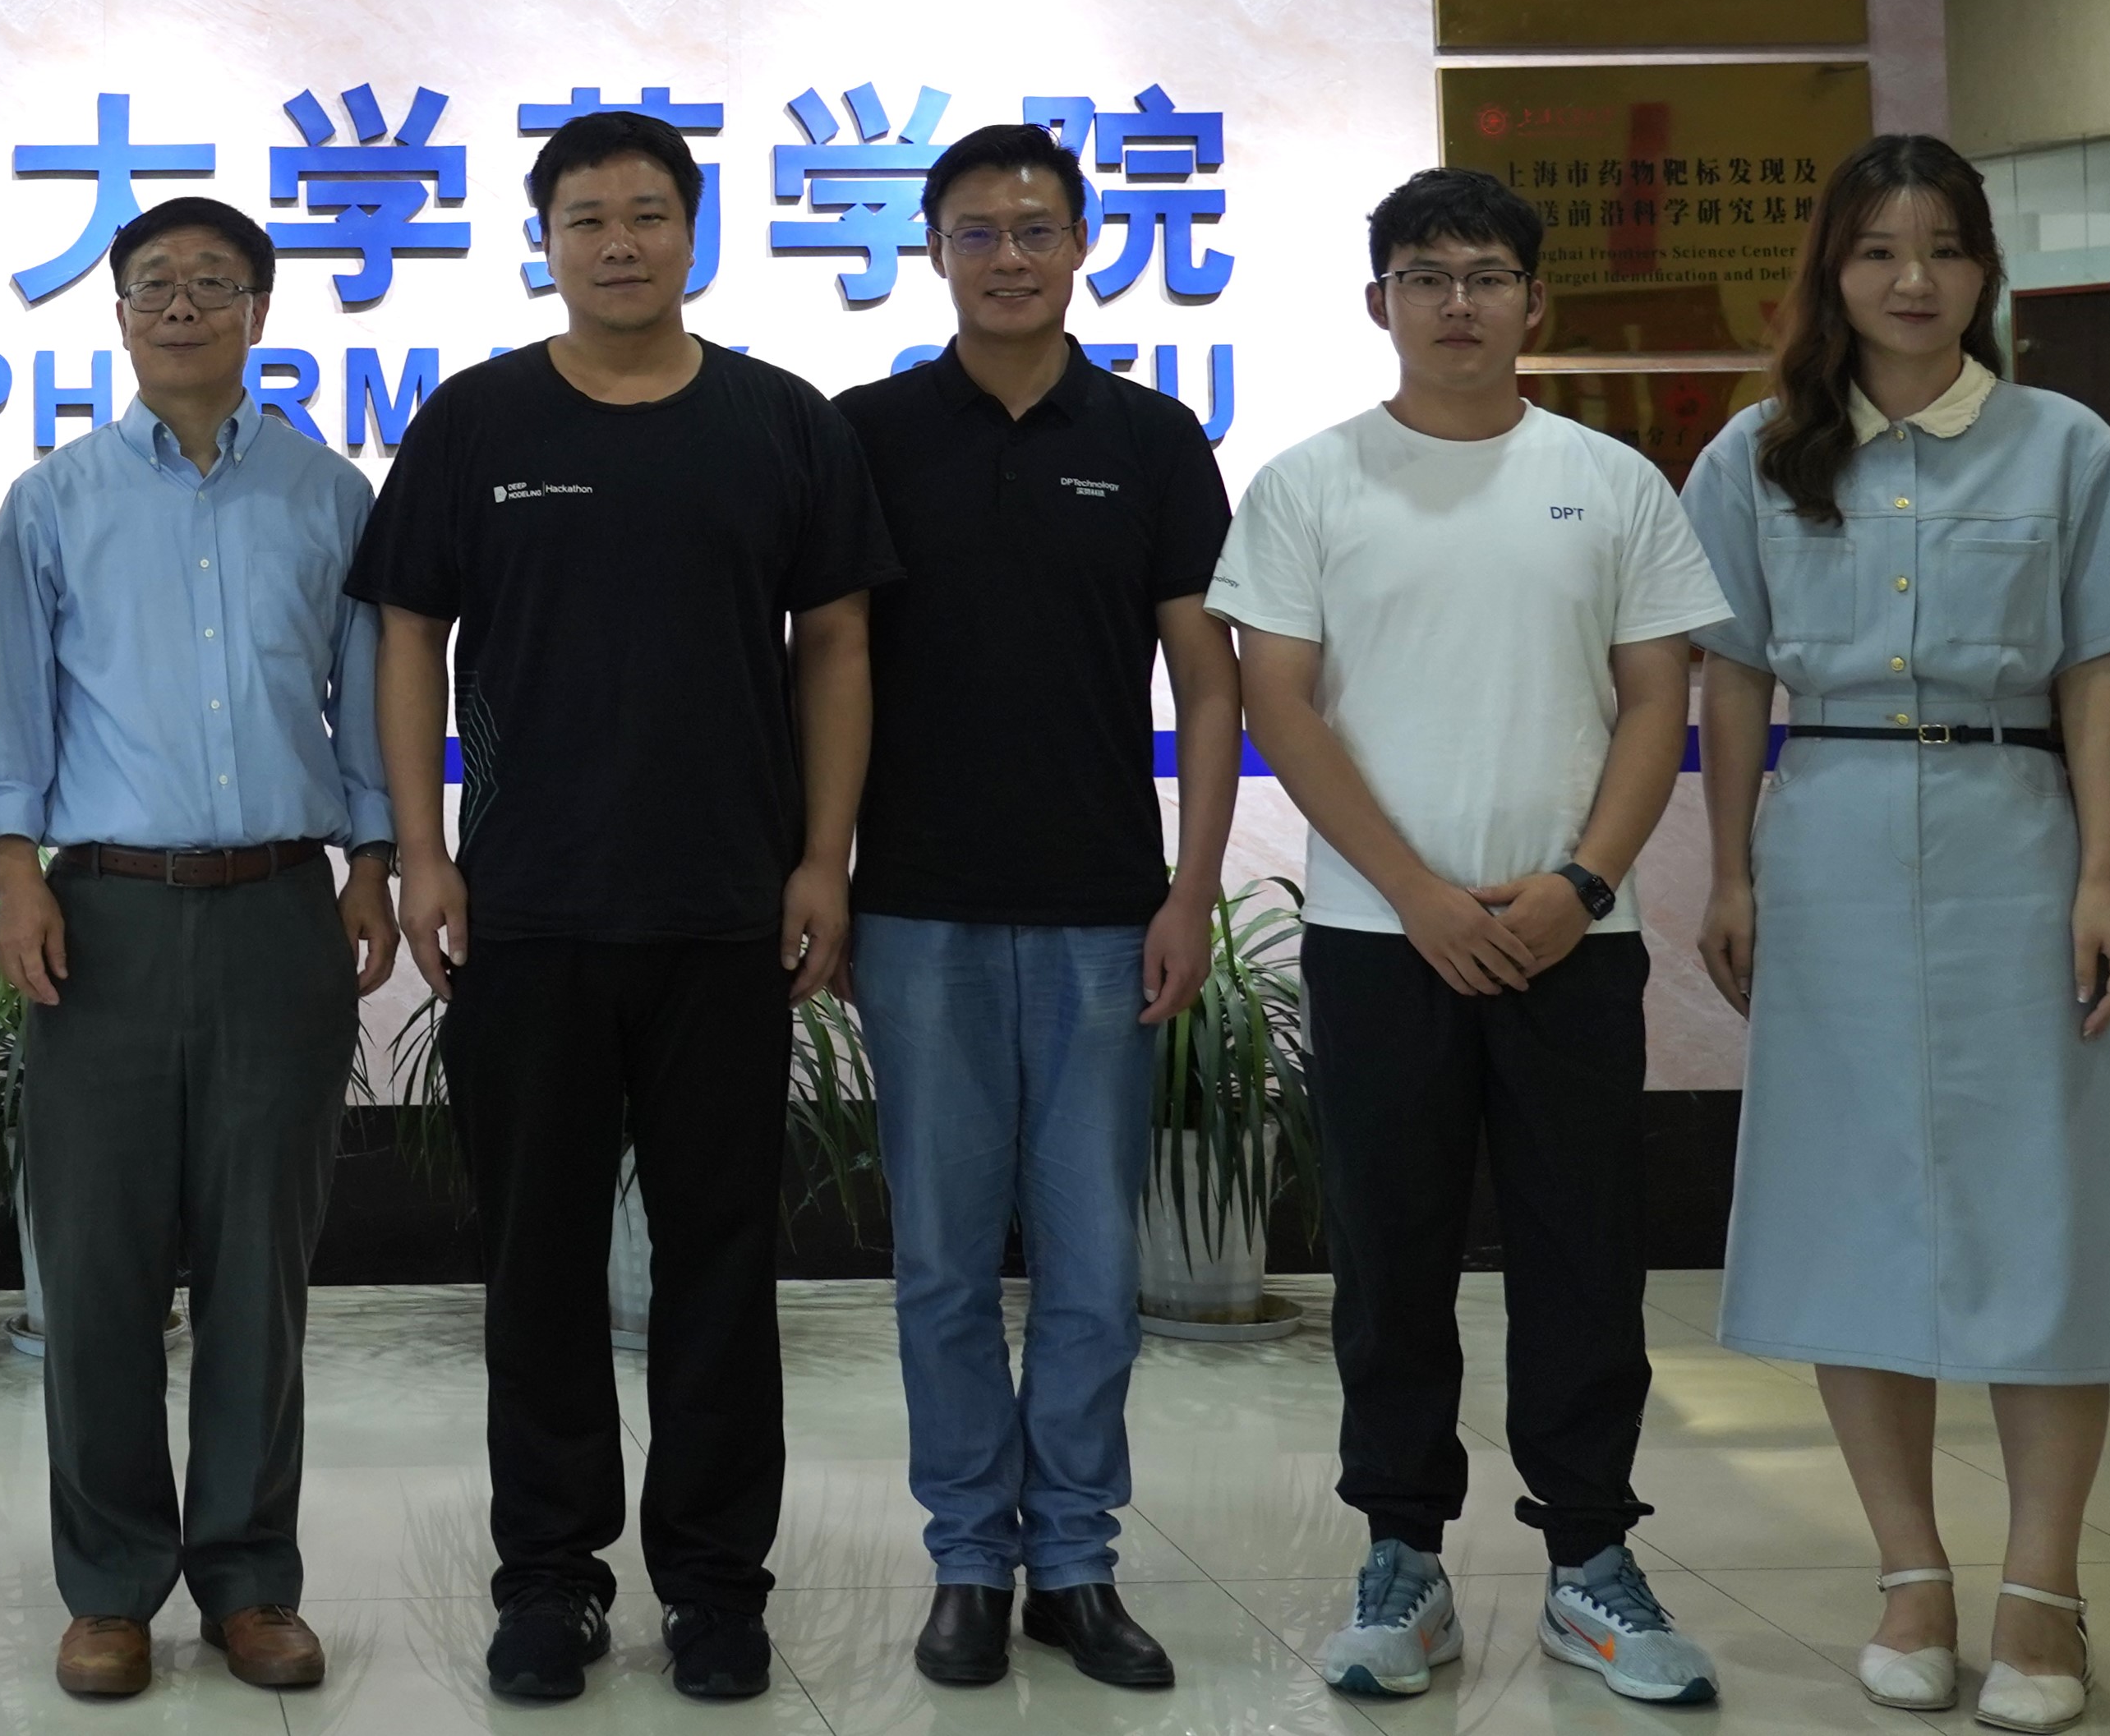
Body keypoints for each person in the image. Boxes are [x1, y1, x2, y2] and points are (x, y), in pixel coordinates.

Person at [356, 109, 885, 1708]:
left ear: (691, 232)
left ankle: (715, 1585)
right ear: (544, 243)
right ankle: (549, 1576)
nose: (617, 242)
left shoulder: (779, 421)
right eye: (584, 217)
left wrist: (822, 856)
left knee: (722, 1263)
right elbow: (407, 637)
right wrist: (421, 851)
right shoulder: (475, 420)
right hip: (528, 911)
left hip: (726, 912)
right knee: (536, 1264)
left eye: (646, 213)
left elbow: (835, 643)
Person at [1686, 136, 2110, 1735]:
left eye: (1942, 249)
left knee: (2040, 1207)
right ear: (1830, 273)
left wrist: (2101, 875)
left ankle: (2041, 1587)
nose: (1910, 281)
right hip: (1830, 839)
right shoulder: (1756, 454)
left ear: (1983, 270)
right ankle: (1907, 1574)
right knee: (1856, 1212)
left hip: (2012, 834)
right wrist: (1727, 870)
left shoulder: (2066, 446)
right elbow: (1727, 675)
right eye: (1876, 251)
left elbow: (2099, 669)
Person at [1209, 168, 1730, 1710]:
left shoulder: (1611, 481)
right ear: (1377, 301)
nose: (1456, 302)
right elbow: (1278, 702)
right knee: (1390, 1254)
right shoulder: (1309, 483)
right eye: (1425, 276)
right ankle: (1400, 1559)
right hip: (1381, 938)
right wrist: (1418, 893)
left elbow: (1658, 696)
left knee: (1584, 1248)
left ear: (1532, 300)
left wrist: (1580, 881)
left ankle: (1590, 1557)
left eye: (1486, 274)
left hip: (1573, 934)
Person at [0, 194, 399, 1704]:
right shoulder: (54, 497)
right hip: (104, 915)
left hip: (281, 905)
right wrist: (13, 876)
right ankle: (106, 1587)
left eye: (214, 282)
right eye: (153, 283)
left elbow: (363, 693)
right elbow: (11, 711)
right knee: (95, 1269)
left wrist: (372, 860)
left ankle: (249, 1577)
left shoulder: (329, 493)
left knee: (257, 1266)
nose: (182, 306)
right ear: (118, 312)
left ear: (258, 312)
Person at [834, 122, 1236, 1698]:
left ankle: (1072, 1558)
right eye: (978, 231)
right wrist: (824, 870)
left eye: (1034, 228)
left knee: (1089, 1264)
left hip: (1098, 909)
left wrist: (1191, 886)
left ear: (1081, 245)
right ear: (932, 250)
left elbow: (1206, 679)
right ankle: (966, 1560)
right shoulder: (866, 433)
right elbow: (825, 668)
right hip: (915, 908)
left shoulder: (1148, 436)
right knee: (940, 1260)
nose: (1008, 255)